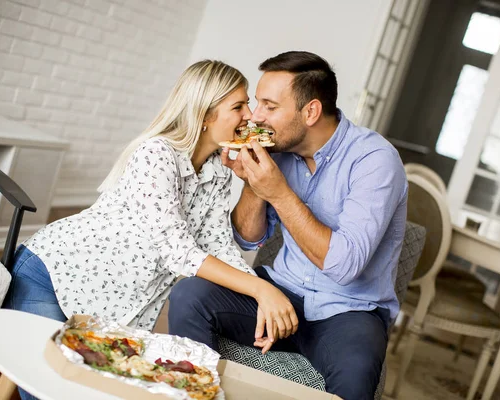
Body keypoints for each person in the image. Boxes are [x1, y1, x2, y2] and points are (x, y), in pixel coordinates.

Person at [168, 51, 408, 400]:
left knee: (356, 377)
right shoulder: (277, 148)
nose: (254, 116)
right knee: (190, 293)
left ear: (310, 111)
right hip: (282, 291)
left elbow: (345, 266)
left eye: (269, 106)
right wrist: (253, 183)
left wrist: (278, 193)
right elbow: (247, 238)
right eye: (255, 104)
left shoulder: (375, 161)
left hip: (349, 310)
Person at [5, 60, 297, 334]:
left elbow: (218, 245)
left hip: (114, 304)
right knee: (50, 383)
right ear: (205, 114)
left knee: (88, 383)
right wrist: (262, 290)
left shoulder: (218, 171)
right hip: (52, 274)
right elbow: (179, 251)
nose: (250, 115)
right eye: (239, 106)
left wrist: (264, 296)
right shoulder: (156, 155)